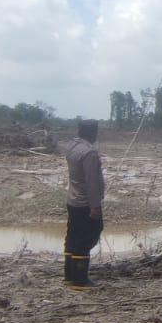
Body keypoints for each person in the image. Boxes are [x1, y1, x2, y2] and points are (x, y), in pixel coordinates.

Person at [62, 119, 106, 289]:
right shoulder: (89, 153)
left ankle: (69, 275)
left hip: (72, 200)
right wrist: (95, 206)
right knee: (88, 237)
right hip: (85, 204)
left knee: (72, 237)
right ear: (93, 133)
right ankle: (80, 280)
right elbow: (92, 182)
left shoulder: (71, 147)